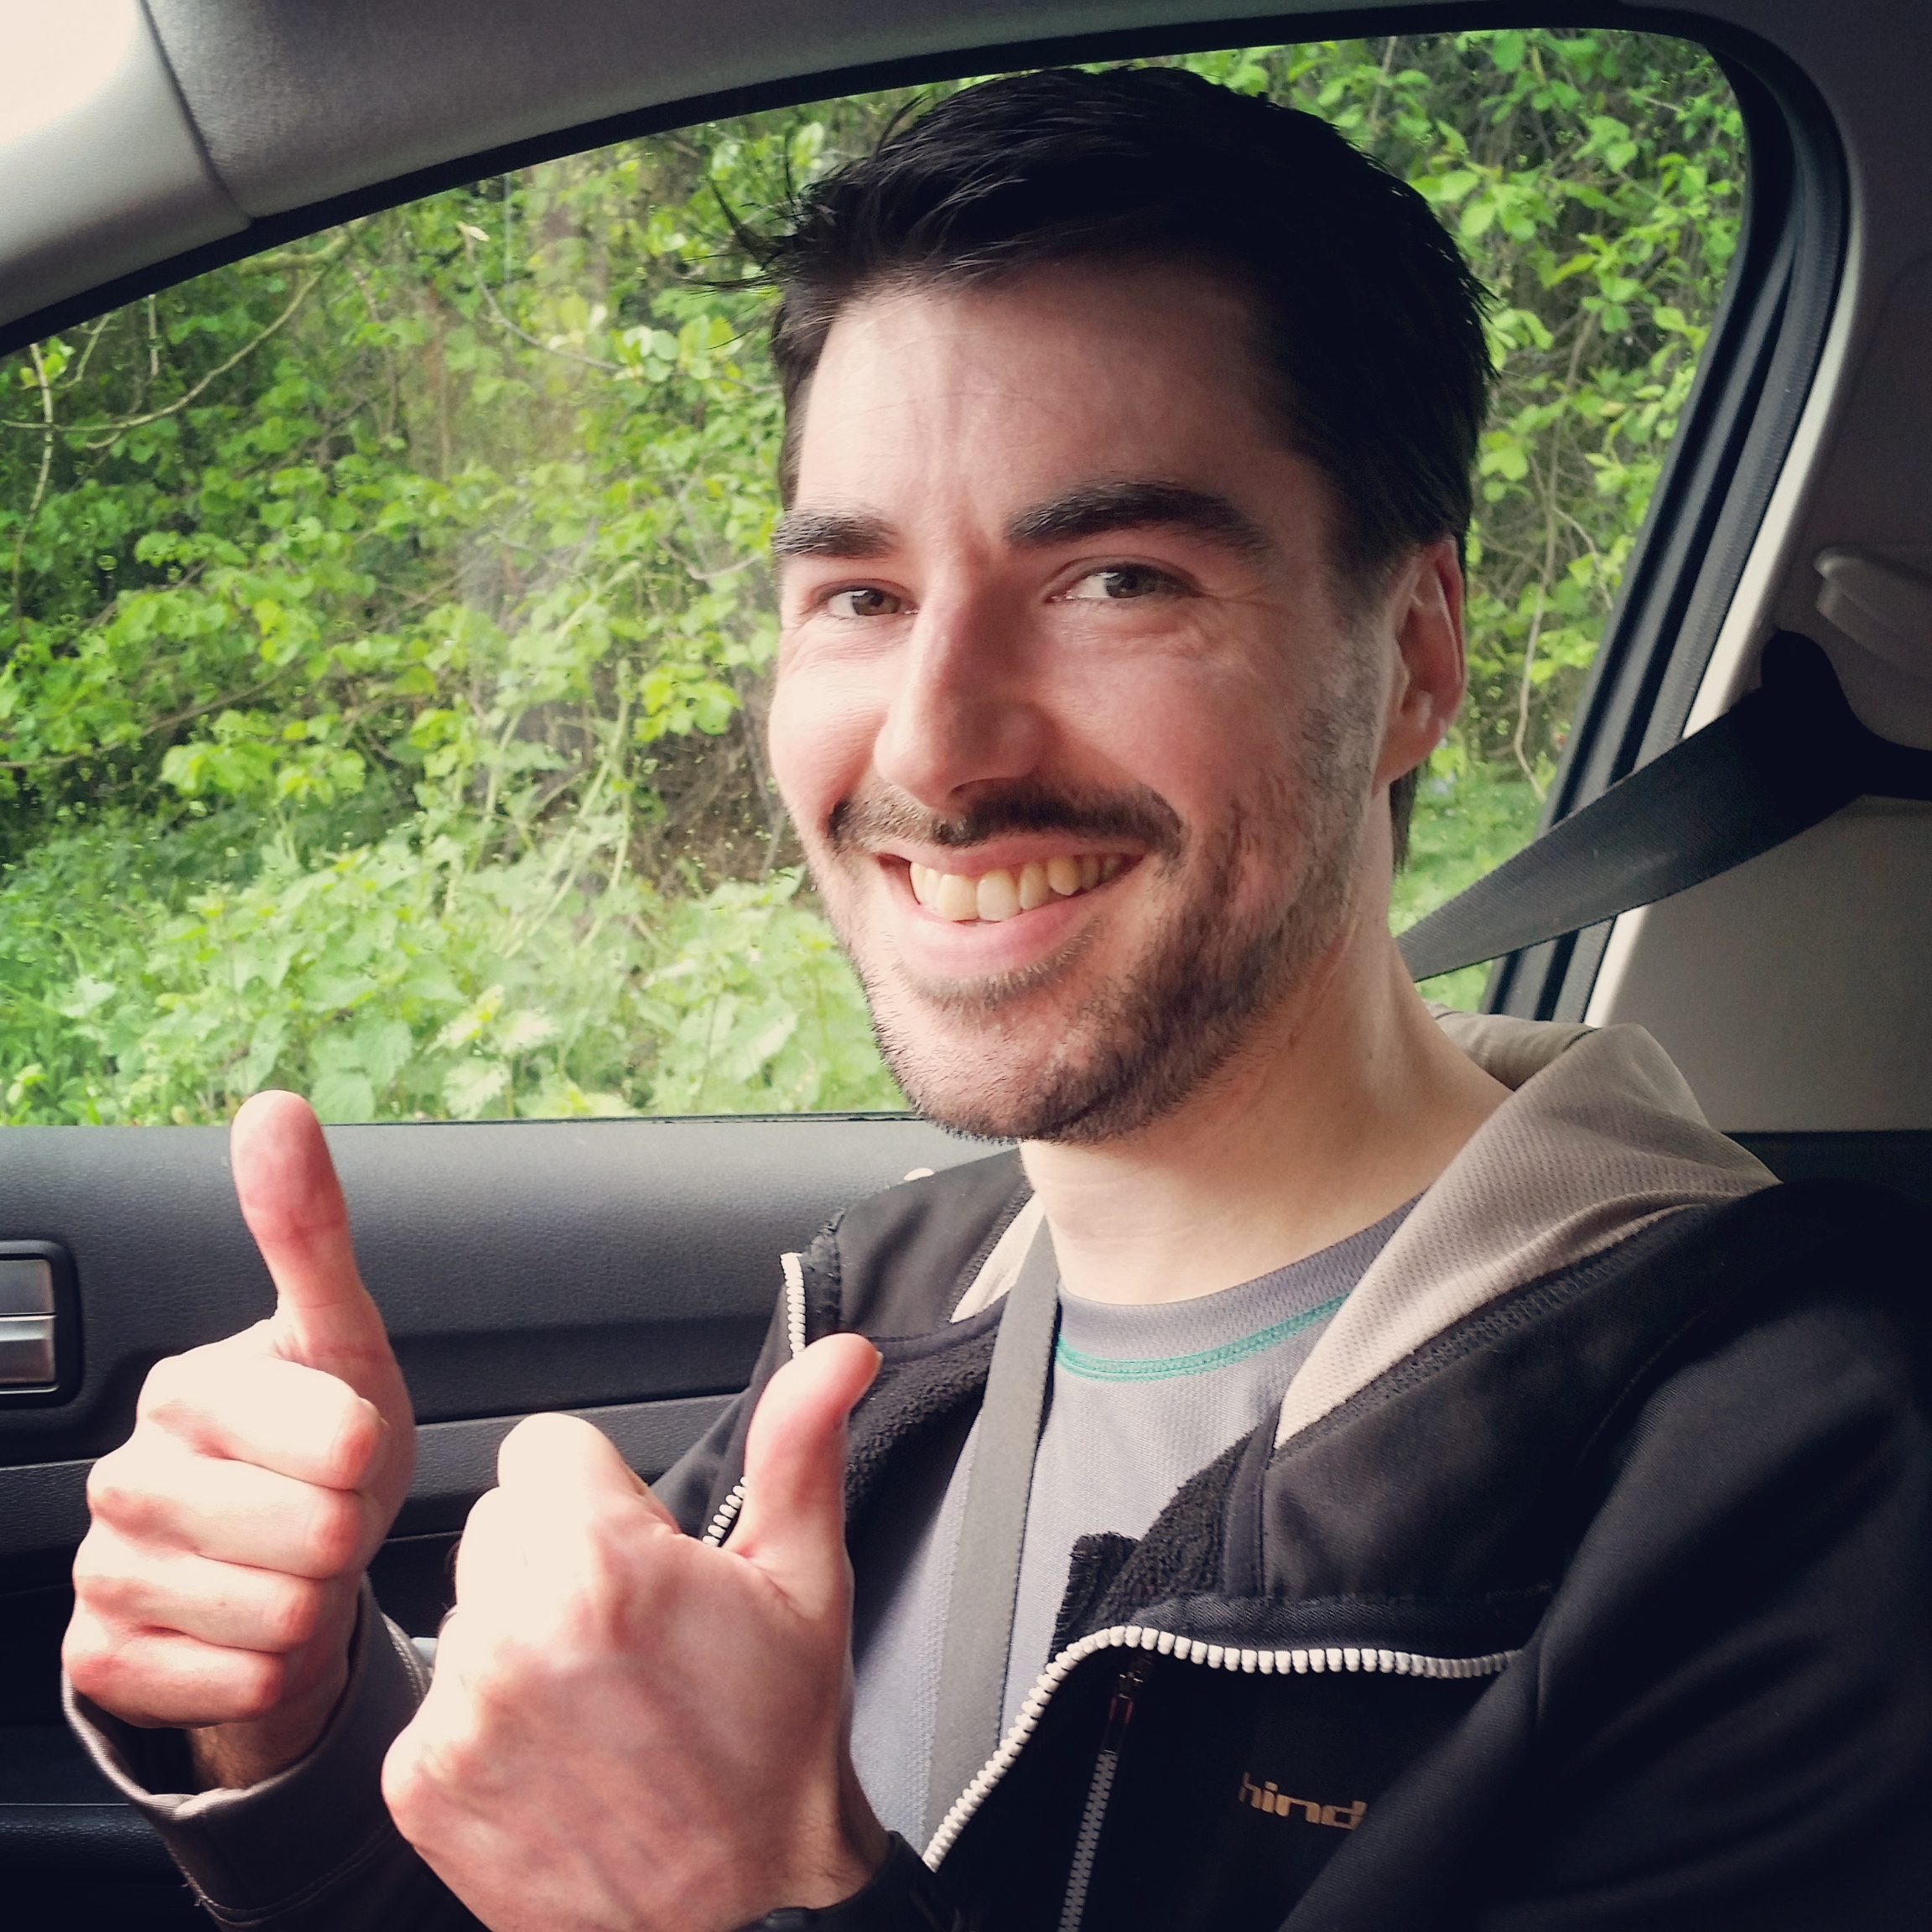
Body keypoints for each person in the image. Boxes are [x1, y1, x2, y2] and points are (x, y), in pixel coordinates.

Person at [61, 67, 1930, 1932]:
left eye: (1115, 578)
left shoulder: (1795, 1485)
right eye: (861, 596)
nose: (935, 751)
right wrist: (298, 1729)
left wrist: (770, 1895)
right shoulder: (899, 1298)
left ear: (1416, 656)